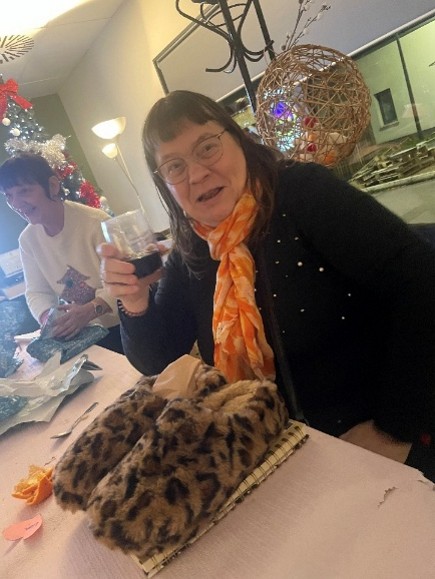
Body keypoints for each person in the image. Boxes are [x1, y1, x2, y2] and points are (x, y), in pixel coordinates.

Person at [99, 90, 435, 479]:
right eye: (174, 167)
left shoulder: (303, 193)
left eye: (207, 148)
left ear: (239, 140)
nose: (196, 174)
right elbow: (158, 358)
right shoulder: (193, 247)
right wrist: (134, 300)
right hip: (276, 449)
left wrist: (393, 430)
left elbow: (421, 282)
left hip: (378, 439)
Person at [0, 153, 123, 353]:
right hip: (84, 335)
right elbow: (37, 291)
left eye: (24, 191)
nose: (16, 203)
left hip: (123, 325)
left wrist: (90, 310)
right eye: (9, 196)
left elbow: (126, 279)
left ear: (53, 186)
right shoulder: (27, 240)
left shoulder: (96, 223)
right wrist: (48, 318)